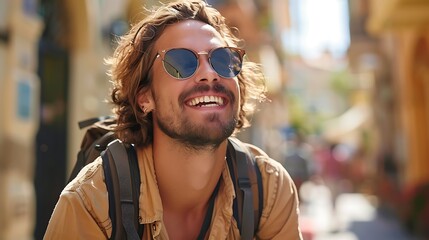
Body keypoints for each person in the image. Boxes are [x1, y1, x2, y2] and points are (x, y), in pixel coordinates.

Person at [44, 0, 302, 239]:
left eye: (223, 60)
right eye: (181, 62)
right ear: (144, 97)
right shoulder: (92, 201)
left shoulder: (268, 190)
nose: (209, 74)